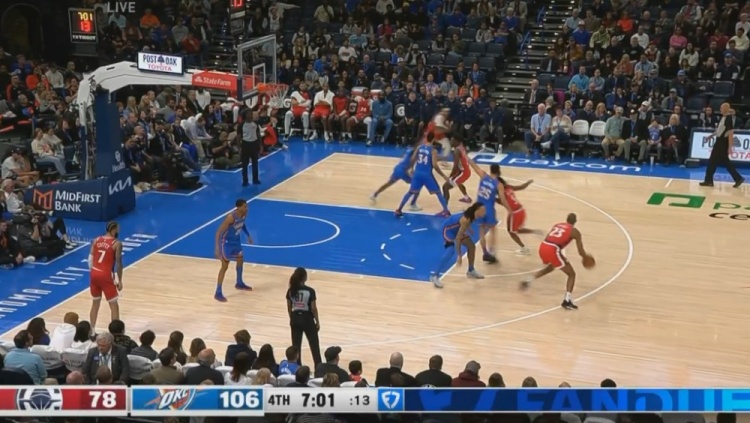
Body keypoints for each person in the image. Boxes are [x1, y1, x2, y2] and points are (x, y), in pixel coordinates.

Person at [521, 213, 593, 310]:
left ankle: (528, 280)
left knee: (550, 268)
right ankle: (567, 301)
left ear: (567, 220)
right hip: (553, 249)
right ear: (575, 221)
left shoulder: (557, 225)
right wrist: (585, 257)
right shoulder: (575, 231)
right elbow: (580, 251)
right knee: (571, 274)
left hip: (543, 246)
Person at [430, 202, 487, 288]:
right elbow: (458, 239)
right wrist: (459, 255)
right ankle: (435, 275)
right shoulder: (466, 219)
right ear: (477, 211)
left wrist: (469, 229)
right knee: (450, 252)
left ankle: (471, 270)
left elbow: (464, 225)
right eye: (483, 211)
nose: (485, 212)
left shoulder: (472, 216)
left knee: (471, 246)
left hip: (456, 229)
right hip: (448, 230)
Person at [395, 133, 451, 217]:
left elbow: (413, 159)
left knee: (410, 192)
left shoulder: (419, 147)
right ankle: (446, 211)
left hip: (417, 174)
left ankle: (399, 210)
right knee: (438, 193)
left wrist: (411, 168)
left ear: (426, 138)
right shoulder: (433, 151)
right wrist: (443, 175)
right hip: (427, 175)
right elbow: (435, 165)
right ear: (433, 139)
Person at [465, 162, 512, 264]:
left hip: (478, 208)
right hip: (489, 208)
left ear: (490, 170)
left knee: (481, 231)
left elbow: (474, 166)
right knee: (492, 230)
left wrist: (466, 157)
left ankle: (485, 253)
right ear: (498, 171)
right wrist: (509, 210)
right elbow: (503, 200)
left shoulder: (483, 175)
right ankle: (492, 252)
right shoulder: (498, 184)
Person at [214, 199, 253, 302]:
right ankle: (218, 292)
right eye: (244, 206)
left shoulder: (244, 215)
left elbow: (242, 224)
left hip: (236, 242)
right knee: (224, 266)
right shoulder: (230, 218)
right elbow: (218, 232)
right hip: (226, 243)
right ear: (239, 207)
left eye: (246, 206)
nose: (247, 208)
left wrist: (248, 235)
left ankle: (239, 283)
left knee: (240, 259)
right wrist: (217, 248)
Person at [88, 221, 123, 335]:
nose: (119, 230)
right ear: (114, 229)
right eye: (118, 228)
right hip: (105, 275)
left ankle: (92, 331)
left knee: (95, 303)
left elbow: (90, 259)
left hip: (94, 273)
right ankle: (116, 334)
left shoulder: (96, 240)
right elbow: (118, 264)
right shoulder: (117, 244)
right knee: (114, 305)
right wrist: (119, 280)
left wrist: (93, 272)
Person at [700, 102, 745, 188]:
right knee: (725, 162)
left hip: (722, 142)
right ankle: (738, 178)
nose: (720, 109)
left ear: (726, 109)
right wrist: (710, 136)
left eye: (722, 108)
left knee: (712, 161)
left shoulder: (728, 118)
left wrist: (730, 147)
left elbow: (730, 133)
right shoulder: (723, 117)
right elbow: (719, 130)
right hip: (720, 141)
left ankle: (708, 180)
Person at [369, 138, 421, 211]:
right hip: (403, 171)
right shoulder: (415, 153)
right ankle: (412, 204)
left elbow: (404, 158)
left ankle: (374, 194)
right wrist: (411, 171)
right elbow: (412, 162)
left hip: (397, 168)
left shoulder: (409, 149)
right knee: (417, 185)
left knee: (389, 183)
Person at [496, 172, 541, 255]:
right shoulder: (508, 187)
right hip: (520, 210)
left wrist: (493, 199)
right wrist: (528, 183)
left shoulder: (501, 192)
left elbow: (503, 202)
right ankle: (533, 232)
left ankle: (524, 248)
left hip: (514, 213)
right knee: (514, 230)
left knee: (512, 232)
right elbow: (521, 187)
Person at [286, 267, 322, 366]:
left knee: (296, 346)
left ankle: (297, 368)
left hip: (295, 317)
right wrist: (317, 321)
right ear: (304, 277)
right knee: (314, 345)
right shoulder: (310, 291)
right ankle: (318, 367)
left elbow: (289, 308)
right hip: (307, 318)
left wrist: (292, 318)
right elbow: (313, 308)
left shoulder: (291, 290)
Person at [442, 135, 472, 204]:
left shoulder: (456, 151)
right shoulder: (461, 147)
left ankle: (445, 208)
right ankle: (466, 197)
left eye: (452, 140)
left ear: (457, 141)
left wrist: (449, 177)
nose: (450, 142)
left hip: (463, 172)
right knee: (458, 182)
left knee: (445, 187)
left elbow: (455, 167)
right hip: (465, 170)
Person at [241, 110, 261, 186]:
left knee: (255, 163)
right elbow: (238, 136)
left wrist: (260, 145)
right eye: (250, 113)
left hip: (254, 144)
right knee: (244, 164)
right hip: (245, 145)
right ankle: (245, 180)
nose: (252, 115)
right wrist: (239, 148)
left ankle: (255, 179)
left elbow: (258, 134)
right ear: (246, 115)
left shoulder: (255, 124)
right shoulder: (242, 124)